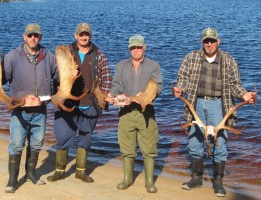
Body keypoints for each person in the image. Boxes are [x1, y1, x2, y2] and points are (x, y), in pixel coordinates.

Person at [172, 28, 256, 197]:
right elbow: (183, 80)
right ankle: (196, 178)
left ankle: (218, 181)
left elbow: (235, 85)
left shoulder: (229, 60)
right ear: (202, 42)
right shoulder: (190, 58)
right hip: (196, 104)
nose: (209, 44)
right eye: (206, 41)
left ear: (219, 41)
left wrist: (244, 94)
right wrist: (179, 89)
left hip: (219, 105)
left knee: (220, 143)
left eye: (212, 40)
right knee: (195, 142)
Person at [0, 23, 58, 193]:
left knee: (37, 144)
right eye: (30, 35)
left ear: (40, 37)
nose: (33, 38)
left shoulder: (49, 56)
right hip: (19, 110)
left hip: (40, 110)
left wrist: (70, 76)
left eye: (36, 35)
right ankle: (12, 180)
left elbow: (58, 78)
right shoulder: (12, 56)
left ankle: (31, 174)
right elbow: (0, 79)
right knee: (16, 145)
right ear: (24, 37)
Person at [47, 22, 112, 183]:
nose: (84, 37)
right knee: (62, 136)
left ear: (90, 36)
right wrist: (68, 74)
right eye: (81, 34)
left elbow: (106, 80)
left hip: (90, 104)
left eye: (87, 34)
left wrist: (105, 97)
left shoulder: (99, 55)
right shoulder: (65, 52)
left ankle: (80, 172)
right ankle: (59, 170)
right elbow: (54, 76)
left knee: (86, 138)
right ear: (75, 35)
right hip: (67, 103)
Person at [106, 34, 163, 193]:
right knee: (127, 147)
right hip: (126, 113)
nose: (136, 50)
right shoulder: (121, 65)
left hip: (146, 113)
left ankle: (149, 182)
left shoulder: (153, 65)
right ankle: (127, 178)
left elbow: (159, 86)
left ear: (144, 47)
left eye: (139, 47)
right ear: (129, 49)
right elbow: (116, 85)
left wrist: (146, 95)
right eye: (133, 47)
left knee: (149, 147)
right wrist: (112, 95)